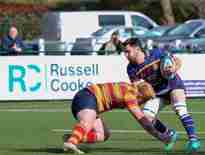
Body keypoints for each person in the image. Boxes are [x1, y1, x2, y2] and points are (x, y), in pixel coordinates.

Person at [123, 38, 201, 153]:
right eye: (125, 52)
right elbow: (138, 86)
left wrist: (174, 68)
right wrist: (142, 93)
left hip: (173, 85)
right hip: (158, 93)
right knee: (147, 116)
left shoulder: (156, 53)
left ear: (137, 49)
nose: (125, 55)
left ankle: (194, 140)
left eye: (127, 51)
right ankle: (169, 134)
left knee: (180, 109)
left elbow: (177, 60)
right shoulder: (131, 68)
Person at [63, 81, 178, 154]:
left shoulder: (132, 88)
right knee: (87, 122)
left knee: (103, 135)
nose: (142, 104)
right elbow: (143, 121)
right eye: (144, 100)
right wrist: (160, 136)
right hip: (88, 97)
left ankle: (73, 138)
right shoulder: (130, 95)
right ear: (140, 95)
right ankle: (72, 143)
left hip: (91, 101)